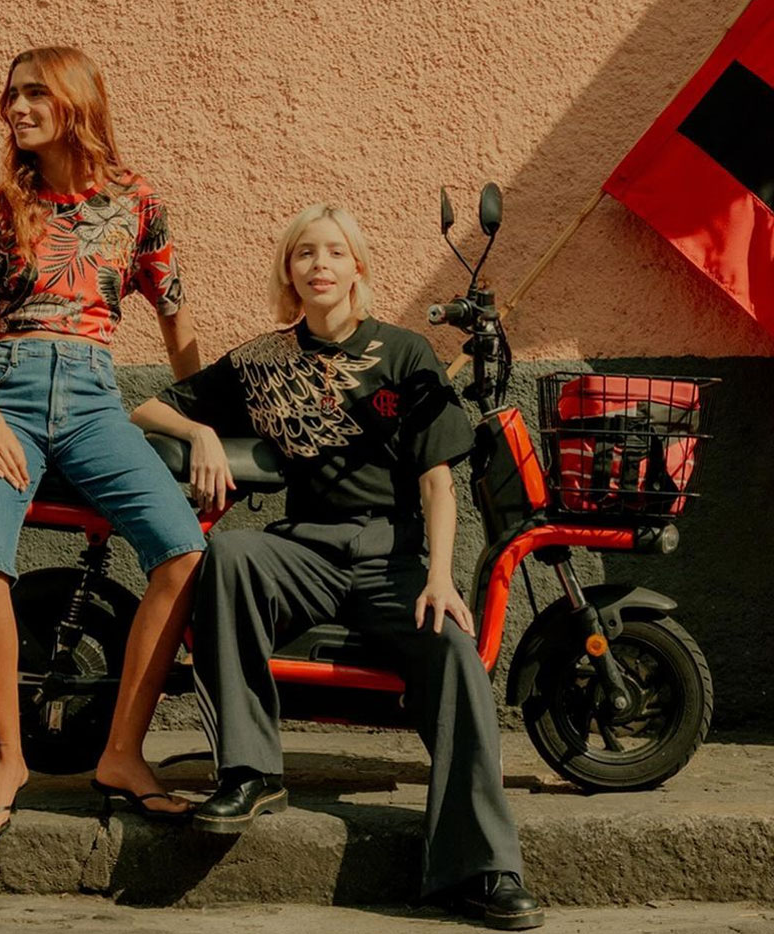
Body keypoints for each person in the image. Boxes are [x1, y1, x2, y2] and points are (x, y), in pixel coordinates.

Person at [130, 204, 545, 930]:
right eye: (304, 254)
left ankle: (481, 868)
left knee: (454, 652)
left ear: (357, 268)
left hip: (394, 557)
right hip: (306, 549)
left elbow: (437, 481)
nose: (319, 264)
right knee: (229, 554)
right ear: (289, 273)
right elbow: (146, 410)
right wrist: (200, 431)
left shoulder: (406, 353)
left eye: (333, 252)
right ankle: (250, 773)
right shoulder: (262, 361)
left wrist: (441, 578)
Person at [0, 46, 205, 837]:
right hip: (10, 392)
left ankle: (121, 754)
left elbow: (176, 321)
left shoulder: (136, 203)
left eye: (35, 93)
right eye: (11, 95)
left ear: (76, 102)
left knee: (184, 550)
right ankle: (8, 761)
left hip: (95, 400)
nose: (17, 108)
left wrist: (204, 424)